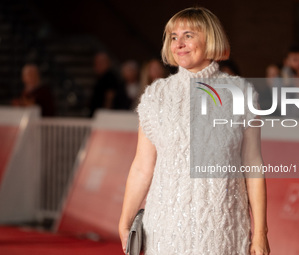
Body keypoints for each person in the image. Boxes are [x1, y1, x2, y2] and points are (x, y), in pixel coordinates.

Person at [119, 7, 270, 255]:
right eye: (173, 36)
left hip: (224, 229)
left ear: (210, 38)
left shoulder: (241, 93)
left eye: (189, 35)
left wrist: (261, 233)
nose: (179, 43)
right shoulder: (155, 96)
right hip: (164, 229)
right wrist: (125, 221)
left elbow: (253, 165)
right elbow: (142, 166)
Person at [89, 52, 130, 117]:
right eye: (96, 62)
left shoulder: (110, 77)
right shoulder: (100, 77)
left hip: (104, 115)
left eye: (100, 63)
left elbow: (110, 95)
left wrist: (106, 113)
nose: (96, 65)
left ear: (107, 63)